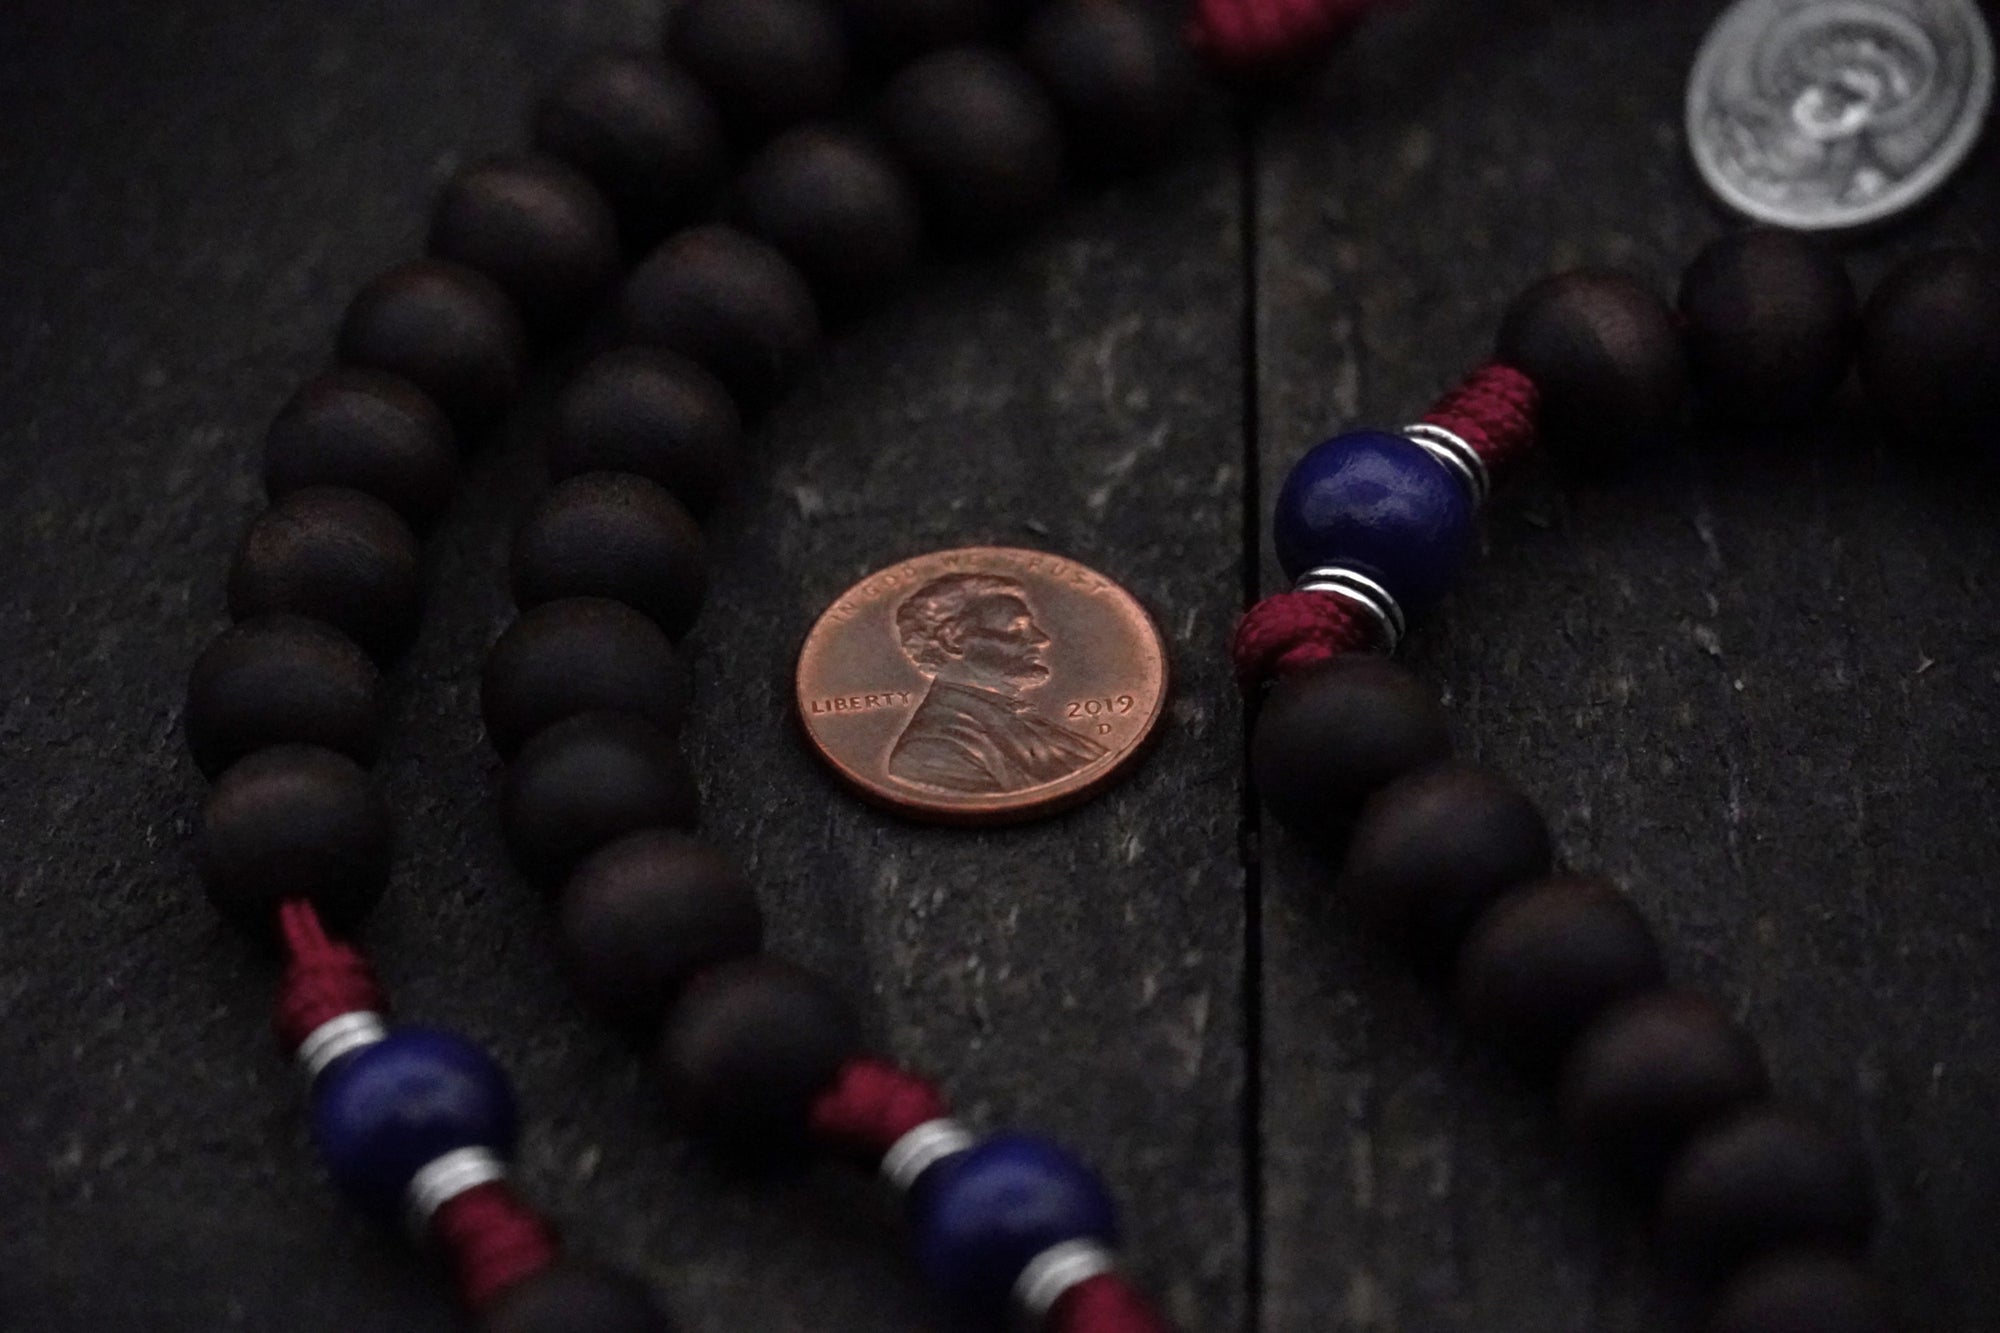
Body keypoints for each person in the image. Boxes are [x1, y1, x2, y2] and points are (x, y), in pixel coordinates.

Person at [886, 573, 1109, 794]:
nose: (1041, 639)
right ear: (952, 639)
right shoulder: (933, 749)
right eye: (1016, 628)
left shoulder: (1016, 718)